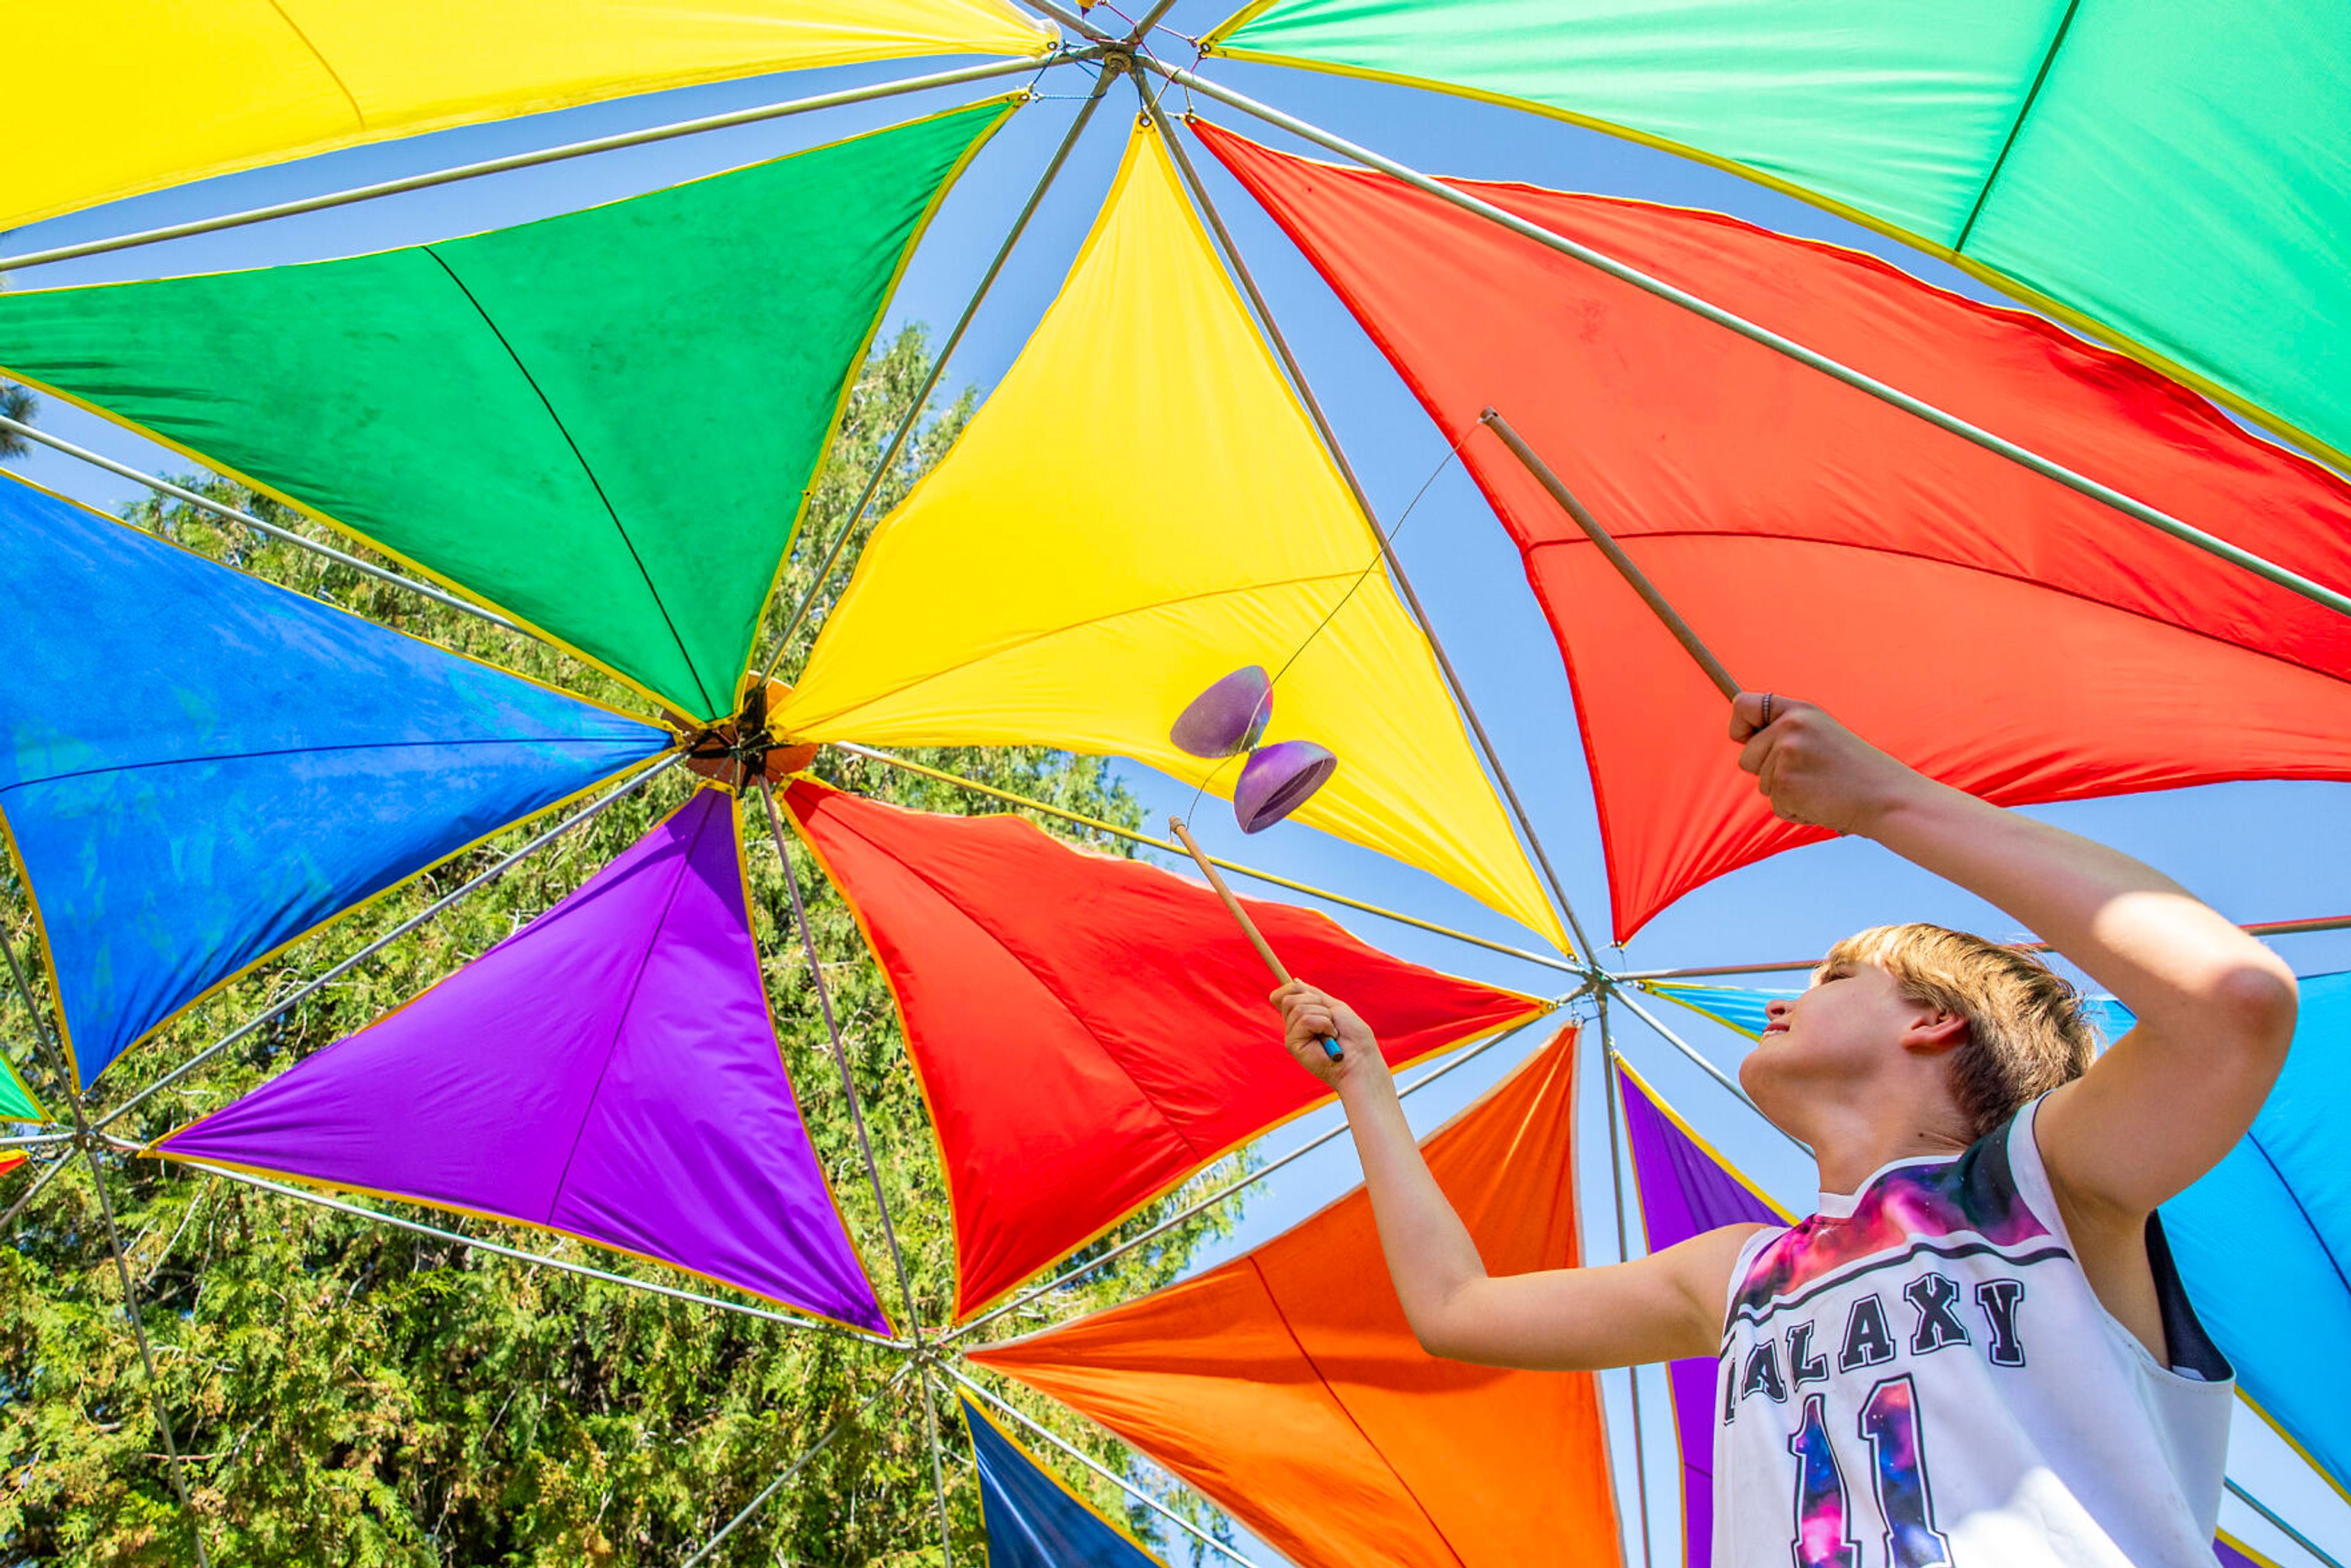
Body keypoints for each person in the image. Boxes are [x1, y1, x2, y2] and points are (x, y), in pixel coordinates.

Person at [1271, 692, 2297, 1568]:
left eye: (1835, 975)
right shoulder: (1746, 1274)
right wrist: (1366, 1082)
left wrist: (1885, 801)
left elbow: (2234, 1002)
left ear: (1939, 1019)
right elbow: (1457, 1308)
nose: (1777, 1001)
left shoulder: (2041, 1187)